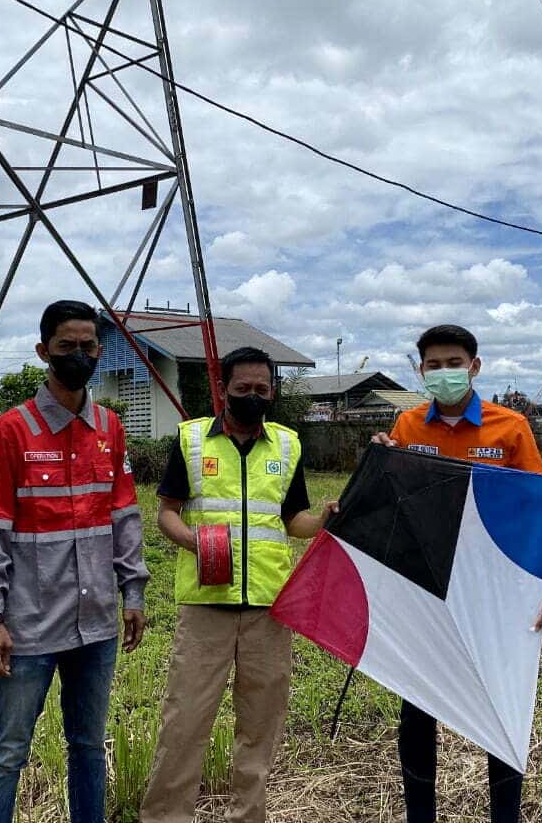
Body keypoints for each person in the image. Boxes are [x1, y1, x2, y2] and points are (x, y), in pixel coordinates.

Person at [0, 299, 149, 823]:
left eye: (89, 346)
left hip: (96, 626)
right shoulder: (12, 430)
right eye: (67, 346)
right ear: (44, 351)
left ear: (100, 352)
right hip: (29, 627)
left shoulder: (110, 427)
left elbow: (124, 518)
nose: (79, 355)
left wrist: (133, 593)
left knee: (89, 748)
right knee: (6, 753)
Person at [371, 324, 542, 823]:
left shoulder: (511, 427)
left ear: (475, 367)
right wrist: (380, 460)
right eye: (433, 365)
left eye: (453, 363)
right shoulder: (408, 427)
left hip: (495, 591)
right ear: (420, 371)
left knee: (500, 703)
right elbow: (391, 506)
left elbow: (539, 513)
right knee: (419, 705)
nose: (443, 373)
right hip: (427, 588)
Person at [141, 346, 336, 823]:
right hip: (206, 605)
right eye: (243, 388)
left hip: (270, 609)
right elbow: (166, 512)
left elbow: (291, 522)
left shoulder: (287, 446)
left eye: (262, 390)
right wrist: (195, 542)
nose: (253, 396)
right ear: (223, 388)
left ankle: (247, 816)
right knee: (185, 723)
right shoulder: (191, 441)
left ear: (273, 391)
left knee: (260, 728)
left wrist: (325, 520)